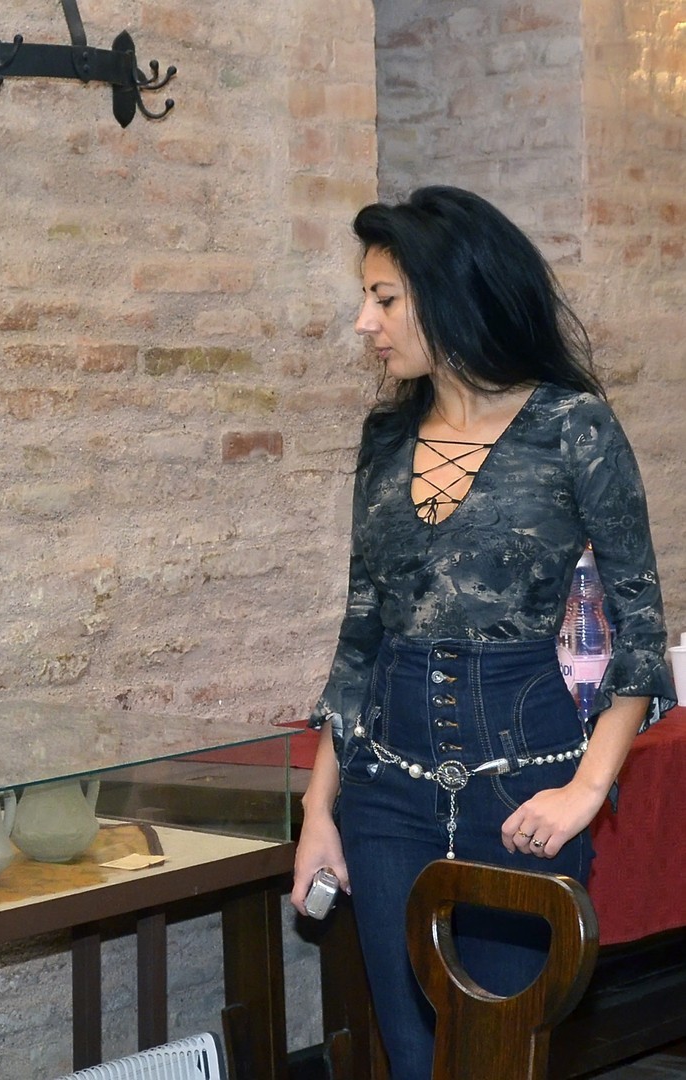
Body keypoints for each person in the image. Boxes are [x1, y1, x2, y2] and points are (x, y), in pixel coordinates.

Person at [290, 185, 675, 1080]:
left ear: (451, 293)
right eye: (366, 298)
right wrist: (318, 812)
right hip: (387, 790)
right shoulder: (387, 437)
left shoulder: (574, 428)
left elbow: (640, 628)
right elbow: (361, 633)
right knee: (415, 1056)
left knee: (501, 1057)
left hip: (527, 786)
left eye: (385, 298)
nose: (365, 322)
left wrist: (587, 791)